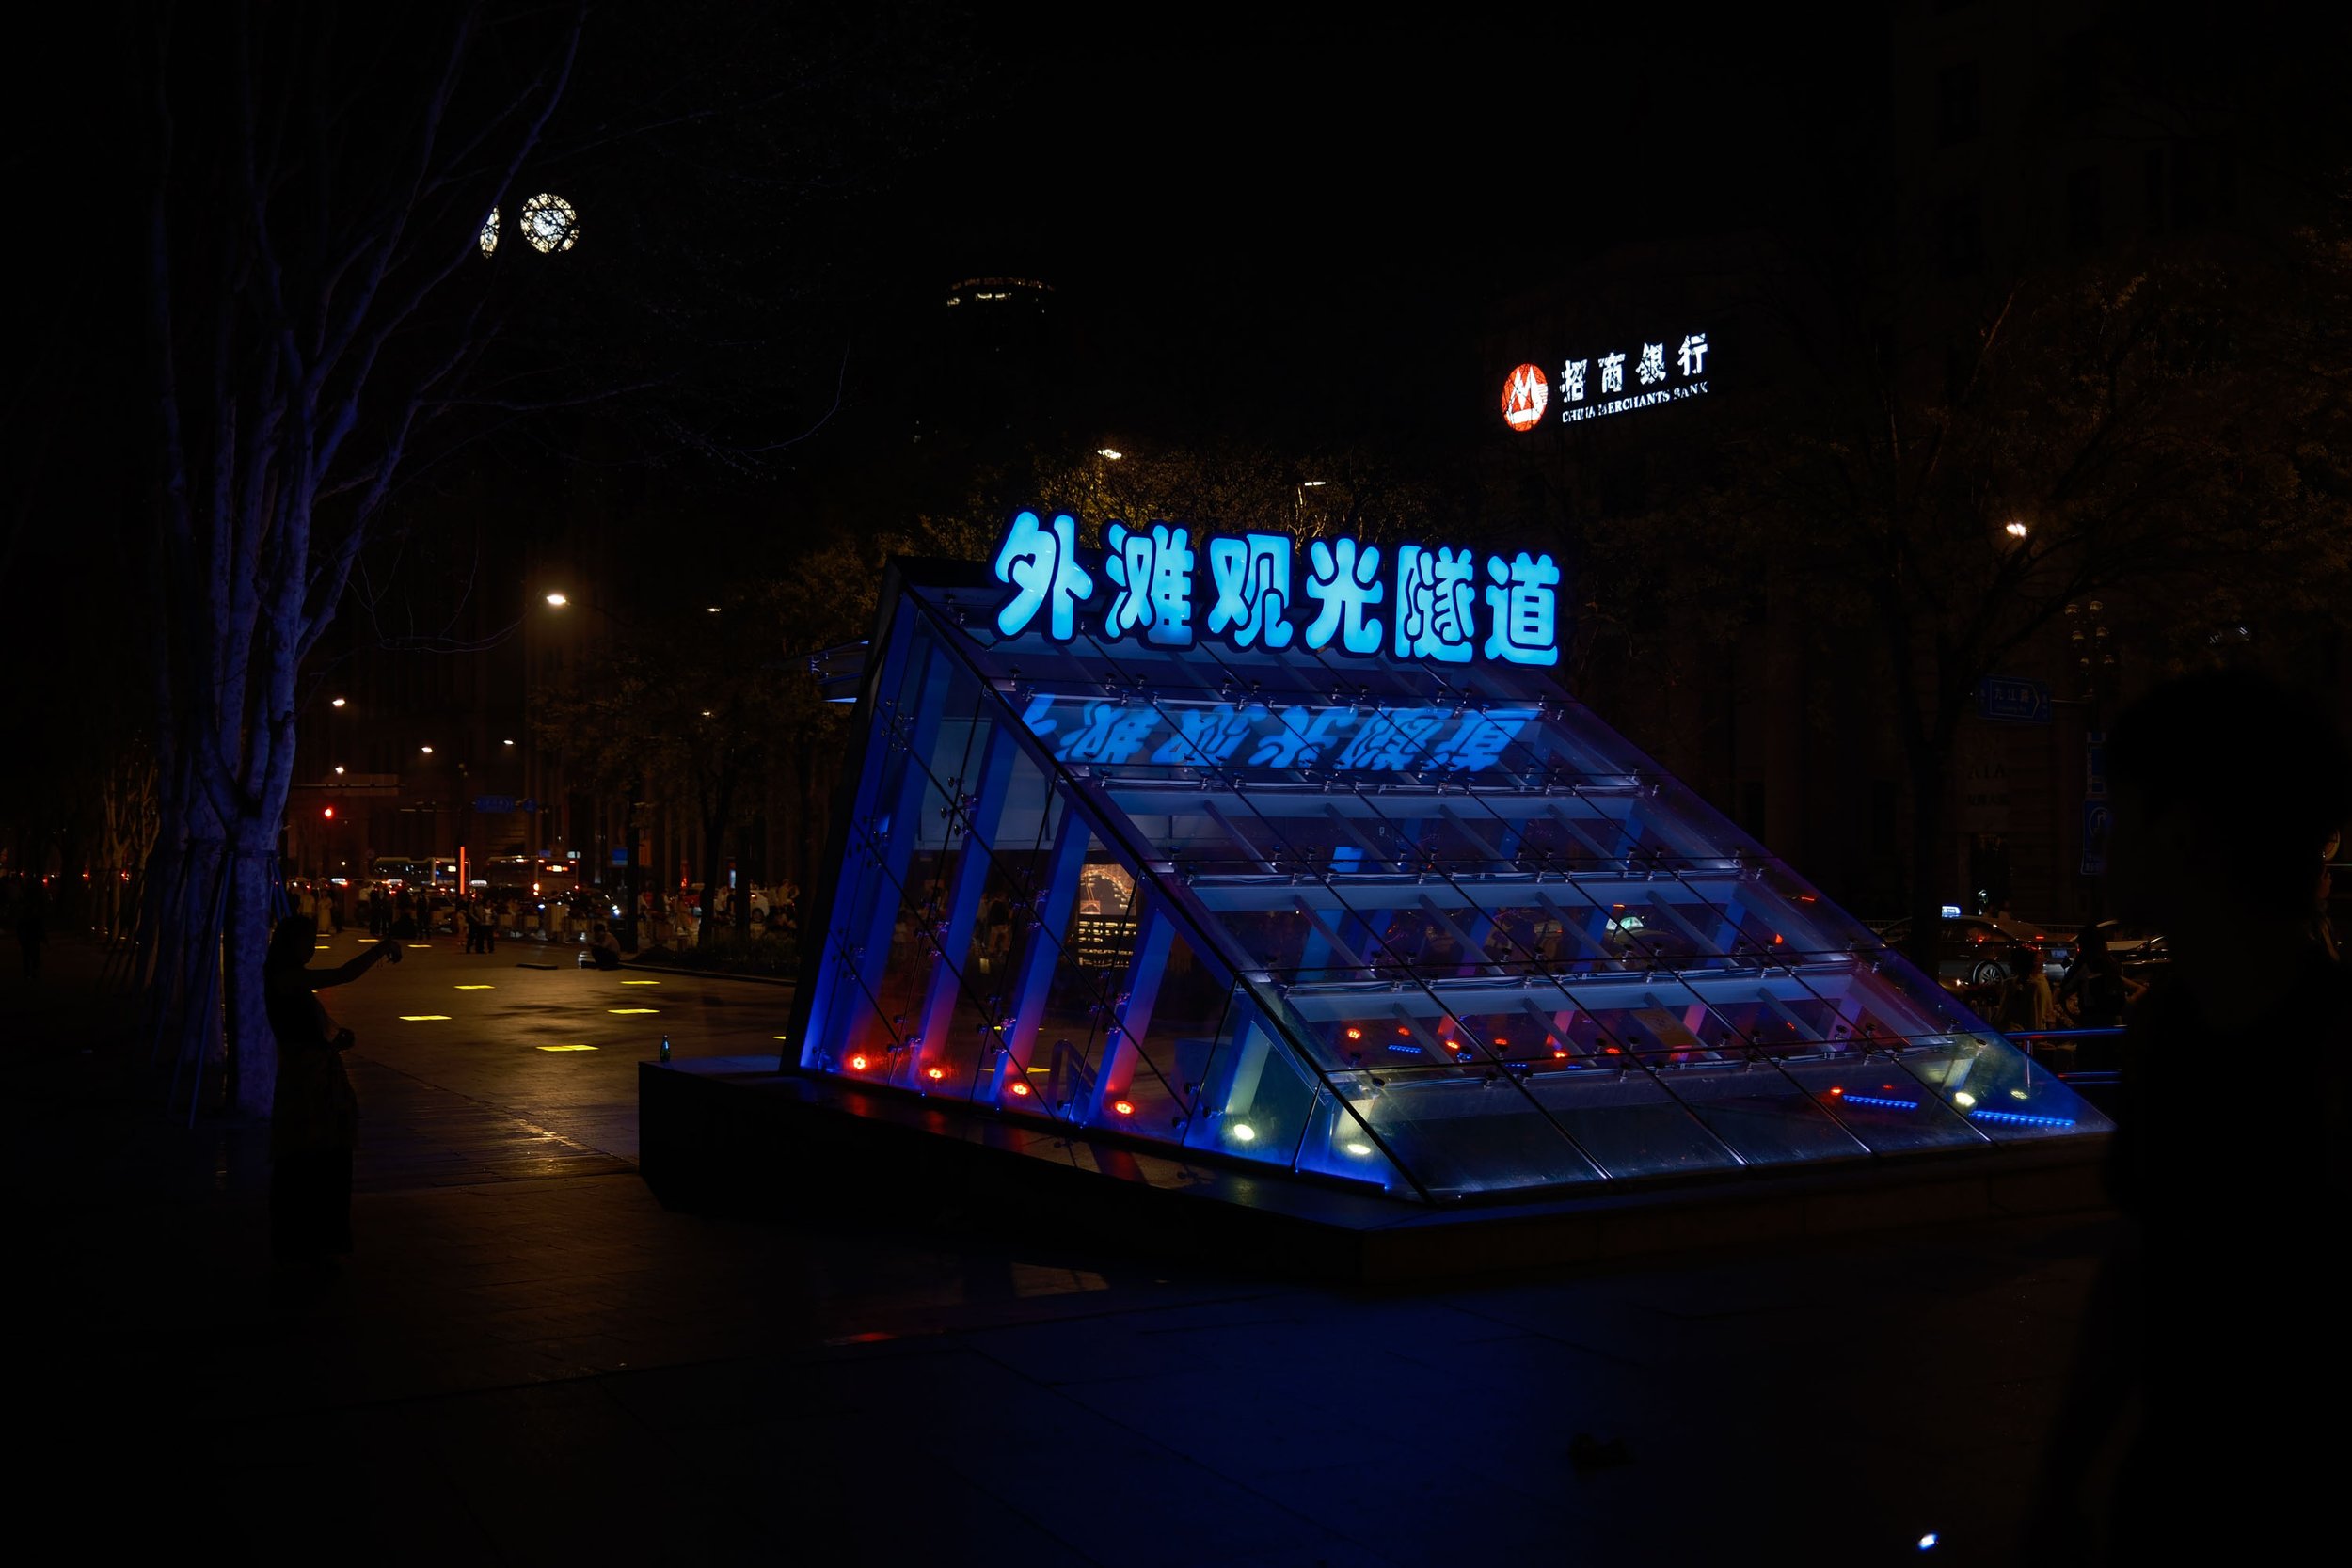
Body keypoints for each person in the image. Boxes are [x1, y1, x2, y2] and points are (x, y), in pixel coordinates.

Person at [2025, 670, 2352, 1563]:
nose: (2104, 845)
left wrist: (2061, 1479)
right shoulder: (2171, 1024)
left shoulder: (2239, 1041)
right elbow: (2142, 1265)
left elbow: (2140, 1265)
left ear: (2180, 834)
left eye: (2118, 815)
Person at [264, 913, 402, 1265]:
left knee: (317, 1157)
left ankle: (312, 1233)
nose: (310, 949)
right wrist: (380, 949)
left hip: (310, 1078)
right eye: (306, 942)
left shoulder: (282, 977)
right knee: (315, 1156)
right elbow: (343, 974)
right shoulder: (285, 978)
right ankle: (313, 1233)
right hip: (307, 1085)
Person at [16, 877, 47, 976]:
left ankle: (31, 969)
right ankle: (32, 969)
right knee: (31, 952)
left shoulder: (29, 906)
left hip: (29, 932)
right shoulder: (32, 907)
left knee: (29, 952)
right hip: (30, 931)